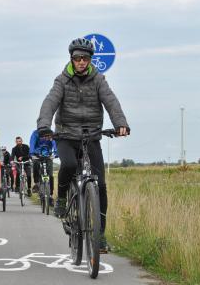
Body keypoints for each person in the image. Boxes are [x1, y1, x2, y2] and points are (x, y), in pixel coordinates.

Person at [37, 38, 129, 253]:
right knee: (69, 165)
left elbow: (111, 101)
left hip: (91, 135)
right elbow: (50, 102)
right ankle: (61, 198)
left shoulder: (98, 79)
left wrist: (121, 123)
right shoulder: (62, 80)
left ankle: (100, 235)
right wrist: (44, 125)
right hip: (66, 134)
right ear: (72, 59)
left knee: (101, 185)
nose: (81, 62)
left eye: (85, 58)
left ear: (90, 60)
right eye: (77, 58)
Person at [29, 129, 58, 204]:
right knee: (35, 164)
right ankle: (37, 183)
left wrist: (56, 152)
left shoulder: (51, 133)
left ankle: (50, 195)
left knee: (50, 175)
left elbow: (54, 142)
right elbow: (32, 143)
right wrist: (32, 153)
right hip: (37, 154)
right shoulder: (35, 133)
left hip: (48, 155)